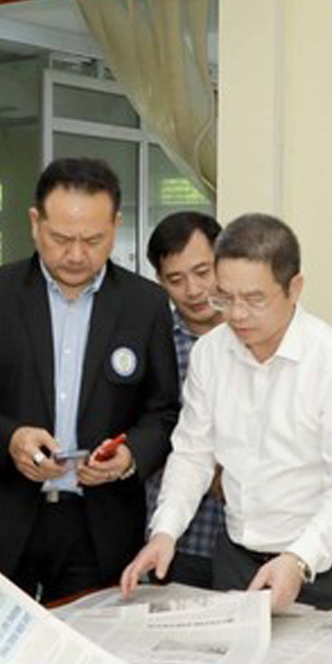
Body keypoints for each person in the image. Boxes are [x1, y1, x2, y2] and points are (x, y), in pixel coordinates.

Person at [0, 158, 180, 603]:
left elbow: (163, 411)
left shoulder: (144, 304)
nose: (76, 254)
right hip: (2, 521)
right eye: (61, 238)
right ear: (35, 224)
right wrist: (10, 438)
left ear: (116, 225)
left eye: (93, 240)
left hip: (99, 526)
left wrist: (129, 456)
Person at [122, 214, 332, 612]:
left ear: (294, 288)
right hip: (237, 556)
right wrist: (165, 532)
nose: (237, 315)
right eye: (224, 297)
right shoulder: (211, 353)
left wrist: (299, 559)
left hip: (318, 560)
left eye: (254, 300)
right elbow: (193, 454)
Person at [142, 211, 227, 589]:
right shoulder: (151, 346)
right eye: (176, 279)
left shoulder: (258, 340)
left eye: (203, 272)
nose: (193, 290)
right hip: (181, 539)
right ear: (160, 282)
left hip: (261, 540)